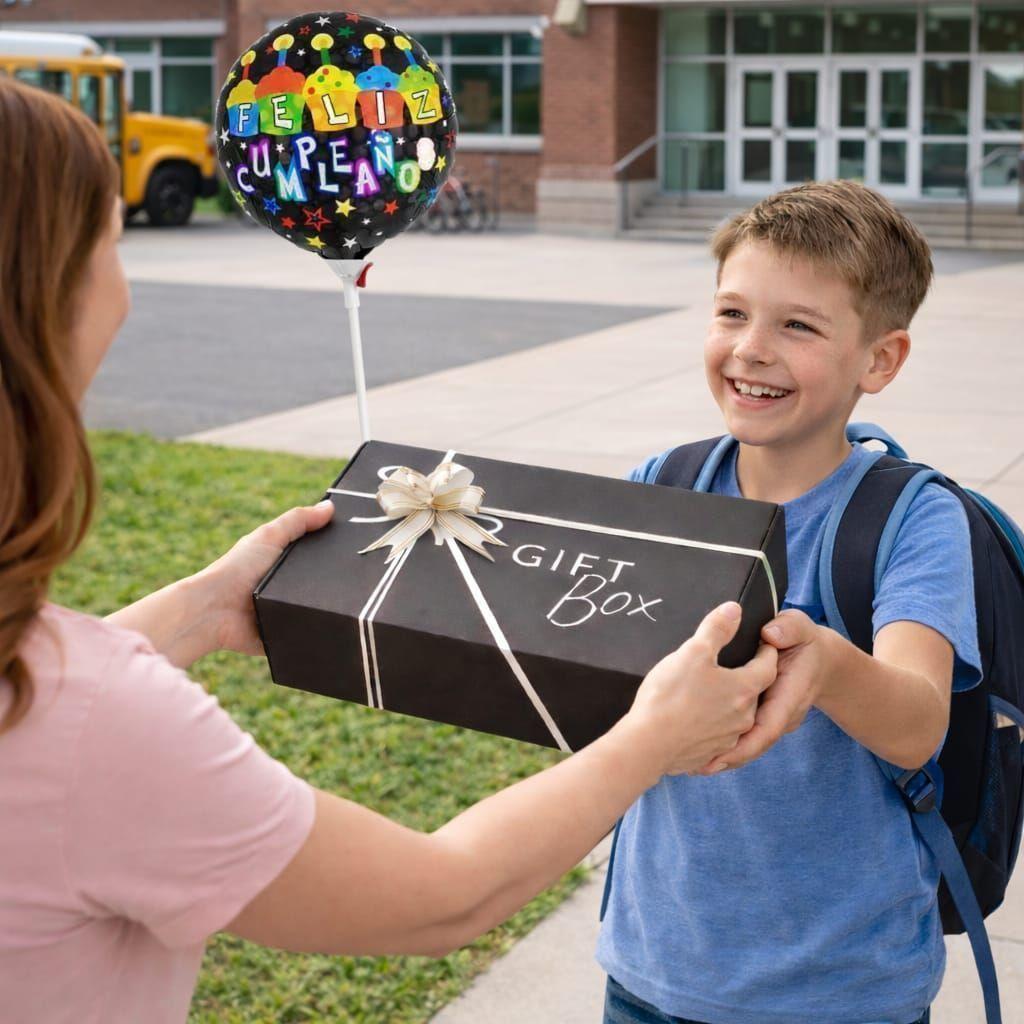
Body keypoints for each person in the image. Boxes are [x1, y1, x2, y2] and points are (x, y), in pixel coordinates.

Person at [0, 77, 780, 1023]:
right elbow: (440, 896)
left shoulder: (67, 698)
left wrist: (205, 607)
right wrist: (654, 736)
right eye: (111, 244)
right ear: (48, 297)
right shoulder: (100, 725)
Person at [596, 179, 981, 1024]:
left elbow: (920, 724)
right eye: (732, 313)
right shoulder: (662, 487)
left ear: (879, 360)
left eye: (797, 325)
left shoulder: (911, 516)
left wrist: (828, 663)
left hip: (839, 991)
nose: (750, 349)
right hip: (650, 965)